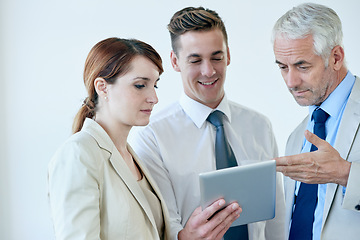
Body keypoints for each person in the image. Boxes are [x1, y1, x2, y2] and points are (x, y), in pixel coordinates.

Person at [129, 7, 285, 240]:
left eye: (216, 57)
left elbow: (276, 218)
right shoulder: (152, 136)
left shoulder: (259, 126)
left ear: (228, 55)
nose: (209, 71)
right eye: (195, 60)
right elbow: (163, 225)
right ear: (175, 61)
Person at [48, 37, 172, 239]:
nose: (154, 98)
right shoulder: (79, 154)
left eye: (155, 86)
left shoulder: (131, 155)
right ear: (102, 87)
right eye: (140, 85)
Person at [272, 3, 360, 240]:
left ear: (336, 57)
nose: (291, 82)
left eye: (302, 66)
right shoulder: (296, 136)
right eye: (283, 67)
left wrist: (345, 173)